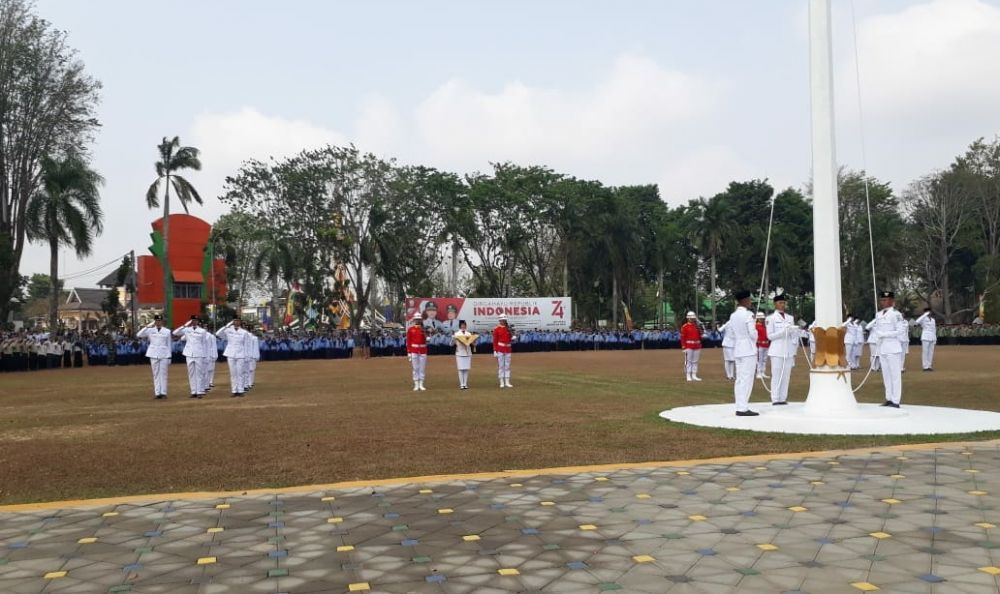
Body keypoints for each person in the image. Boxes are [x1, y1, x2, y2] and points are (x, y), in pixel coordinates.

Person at [871, 290, 906, 408]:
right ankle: (889, 398)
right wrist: (878, 335)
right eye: (882, 300)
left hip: (893, 347)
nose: (883, 302)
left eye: (886, 300)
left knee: (895, 374)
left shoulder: (896, 314)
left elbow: (900, 331)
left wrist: (884, 334)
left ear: (892, 301)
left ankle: (896, 400)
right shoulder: (878, 314)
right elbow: (876, 328)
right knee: (886, 375)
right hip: (882, 348)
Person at [728, 290, 759, 416]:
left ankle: (740, 405)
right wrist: (756, 334)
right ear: (745, 301)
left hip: (738, 348)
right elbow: (752, 333)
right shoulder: (748, 314)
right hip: (748, 349)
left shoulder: (733, 315)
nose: (750, 302)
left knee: (740, 379)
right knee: (747, 379)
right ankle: (743, 407)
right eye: (749, 300)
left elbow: (732, 333)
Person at [766, 293, 799, 406]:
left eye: (784, 303)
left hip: (788, 350)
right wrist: (783, 332)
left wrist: (795, 331)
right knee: (777, 375)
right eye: (780, 303)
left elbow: (793, 336)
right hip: (776, 350)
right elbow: (770, 336)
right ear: (775, 304)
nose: (782, 305)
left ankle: (783, 398)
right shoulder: (771, 319)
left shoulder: (790, 318)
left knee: (786, 376)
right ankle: (775, 398)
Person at [137, 315, 173, 399]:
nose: (158, 322)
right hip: (153, 353)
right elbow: (139, 334)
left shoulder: (167, 331)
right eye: (156, 321)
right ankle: (157, 393)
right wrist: (148, 325)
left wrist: (169, 357)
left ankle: (163, 393)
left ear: (162, 321)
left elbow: (169, 344)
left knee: (163, 374)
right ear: (155, 321)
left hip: (164, 354)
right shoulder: (150, 330)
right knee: (156, 374)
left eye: (160, 320)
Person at [173, 315, 208, 399]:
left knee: (199, 373)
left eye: (195, 320)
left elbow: (204, 343)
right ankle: (193, 391)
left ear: (198, 321)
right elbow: (175, 333)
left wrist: (204, 354)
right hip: (189, 353)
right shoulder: (187, 329)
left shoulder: (202, 331)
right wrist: (185, 325)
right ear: (191, 321)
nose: (194, 322)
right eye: (192, 320)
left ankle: (199, 391)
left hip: (199, 353)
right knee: (191, 373)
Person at [217, 317, 249, 397]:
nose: (236, 322)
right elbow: (218, 334)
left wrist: (247, 356)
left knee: (240, 373)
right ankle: (234, 390)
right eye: (235, 320)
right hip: (231, 353)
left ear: (240, 322)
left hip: (241, 354)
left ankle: (241, 390)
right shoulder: (228, 330)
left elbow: (247, 345)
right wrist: (227, 325)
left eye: (238, 320)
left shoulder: (244, 332)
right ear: (232, 321)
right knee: (233, 373)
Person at [452, 320, 477, 389]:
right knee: (460, 369)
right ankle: (461, 384)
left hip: (467, 353)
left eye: (464, 325)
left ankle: (465, 384)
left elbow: (473, 344)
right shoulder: (457, 334)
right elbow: (451, 344)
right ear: (460, 326)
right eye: (462, 325)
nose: (463, 326)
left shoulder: (468, 333)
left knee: (466, 369)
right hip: (459, 353)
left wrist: (474, 339)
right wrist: (453, 339)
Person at [407, 312, 428, 391]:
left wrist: (427, 336)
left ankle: (421, 384)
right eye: (416, 319)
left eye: (419, 319)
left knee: (422, 368)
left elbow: (427, 339)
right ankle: (416, 384)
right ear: (414, 320)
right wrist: (409, 352)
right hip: (414, 350)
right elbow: (408, 341)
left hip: (423, 350)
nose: (417, 321)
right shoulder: (411, 329)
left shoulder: (423, 329)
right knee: (415, 368)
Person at [493, 314, 515, 388]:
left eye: (504, 320)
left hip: (508, 349)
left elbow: (512, 338)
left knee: (507, 366)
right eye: (501, 320)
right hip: (500, 349)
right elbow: (495, 340)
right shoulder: (497, 329)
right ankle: (501, 382)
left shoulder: (509, 328)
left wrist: (513, 337)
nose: (503, 321)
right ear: (499, 320)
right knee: (501, 366)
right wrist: (495, 350)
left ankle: (507, 382)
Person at [680, 311, 703, 381]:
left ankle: (694, 375)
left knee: (695, 361)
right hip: (688, 346)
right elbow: (682, 337)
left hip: (697, 345)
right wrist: (683, 346)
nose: (693, 319)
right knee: (688, 361)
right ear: (688, 318)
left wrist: (701, 331)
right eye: (691, 318)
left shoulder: (697, 326)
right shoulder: (685, 326)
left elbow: (700, 336)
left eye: (693, 318)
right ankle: (688, 375)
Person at [755, 312, 769, 379]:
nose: (762, 319)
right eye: (760, 318)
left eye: (762, 318)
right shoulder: (755, 326)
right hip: (759, 344)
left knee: (764, 359)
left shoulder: (765, 326)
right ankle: (758, 372)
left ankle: (763, 372)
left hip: (766, 344)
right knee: (759, 359)